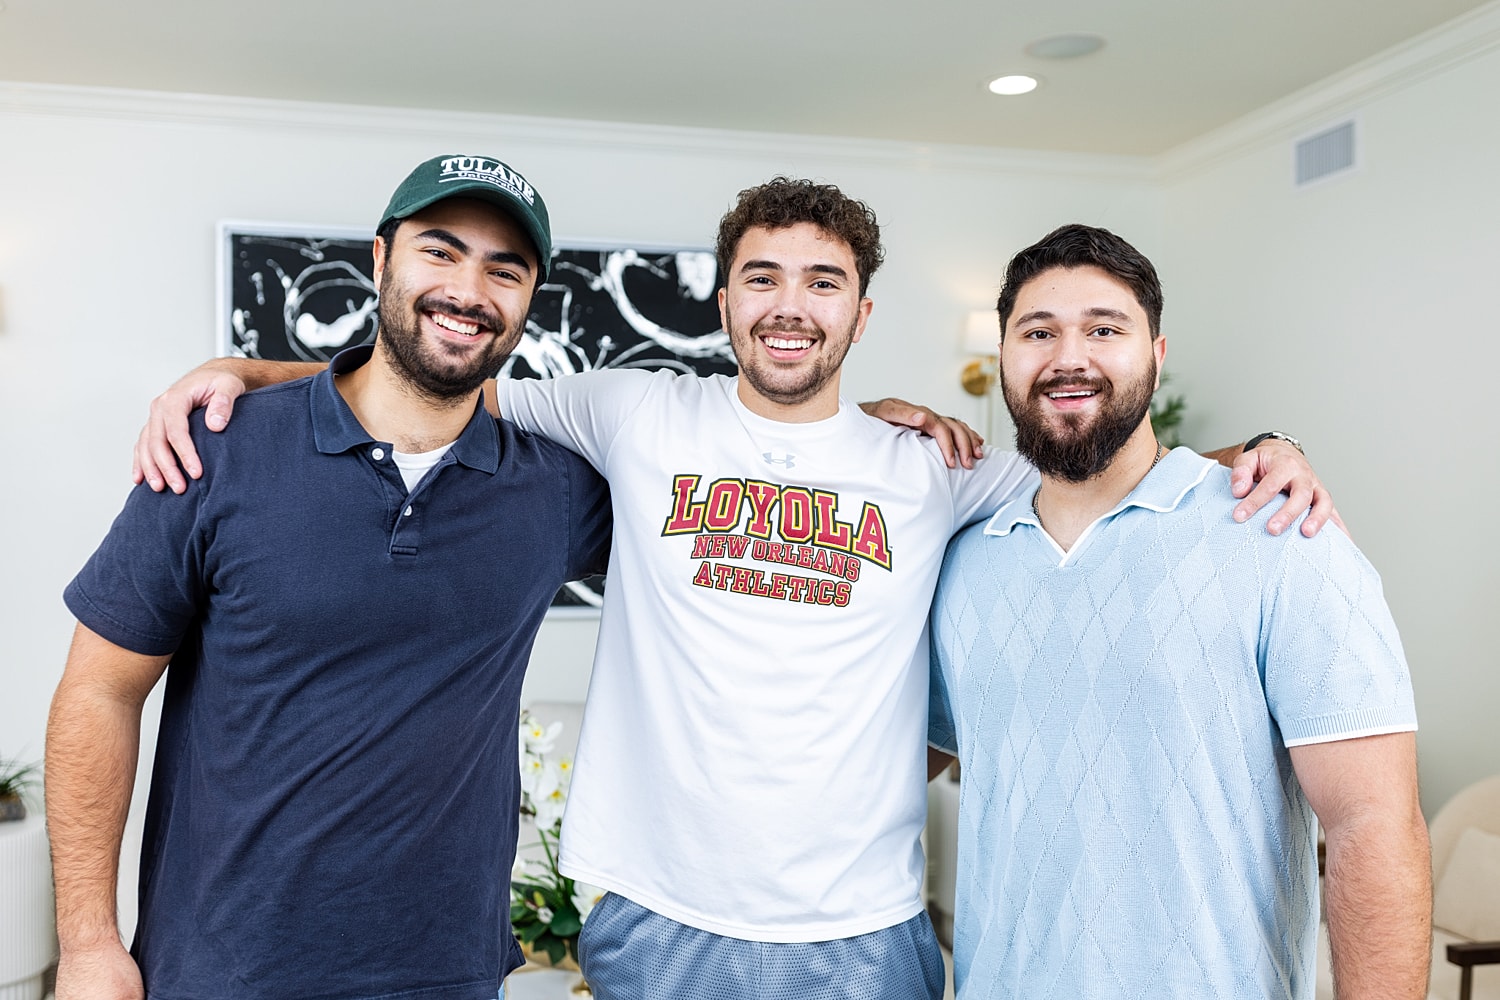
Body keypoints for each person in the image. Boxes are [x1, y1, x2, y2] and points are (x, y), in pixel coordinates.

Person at [132, 180, 1337, 1000]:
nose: (789, 304)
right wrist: (245, 370)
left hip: (863, 931)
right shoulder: (632, 406)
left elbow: (1101, 463)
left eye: (823, 281)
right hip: (659, 912)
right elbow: (430, 384)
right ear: (724, 306)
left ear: (862, 312)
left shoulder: (933, 465)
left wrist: (1252, 453)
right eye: (762, 277)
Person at [46, 153, 613, 1000]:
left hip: (445, 976)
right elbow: (100, 690)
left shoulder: (556, 489)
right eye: (440, 251)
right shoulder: (218, 450)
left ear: (529, 303)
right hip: (220, 971)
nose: (468, 289)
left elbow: (727, 488)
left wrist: (862, 433)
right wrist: (89, 943)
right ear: (380, 259)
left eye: (505, 269)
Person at [927, 223, 1430, 1000]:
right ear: (1003, 359)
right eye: (1038, 331)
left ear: (1156, 356)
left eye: (1105, 328)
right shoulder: (960, 562)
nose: (1070, 356)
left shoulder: (1280, 530)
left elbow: (1375, 824)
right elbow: (889, 771)